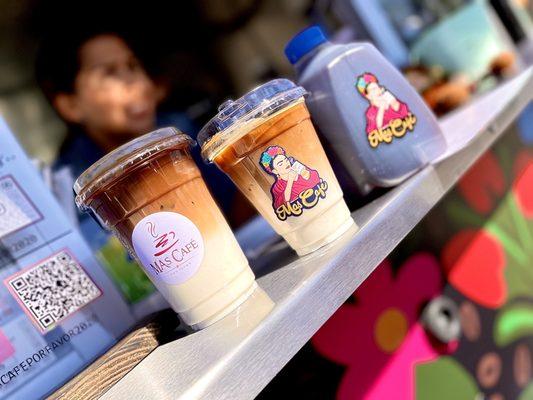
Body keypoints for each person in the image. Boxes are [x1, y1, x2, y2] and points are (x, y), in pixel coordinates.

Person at [260, 145, 321, 210]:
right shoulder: (277, 187)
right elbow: (280, 205)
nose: (286, 163)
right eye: (280, 164)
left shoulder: (299, 169)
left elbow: (316, 177)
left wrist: (307, 174)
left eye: (286, 160)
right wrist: (290, 181)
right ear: (275, 171)